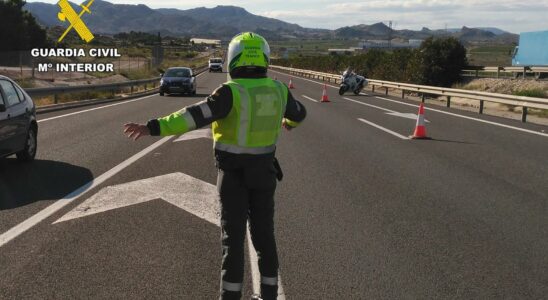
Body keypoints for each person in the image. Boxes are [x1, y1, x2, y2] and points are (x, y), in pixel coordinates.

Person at [123, 32, 306, 300]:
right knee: (265, 237)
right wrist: (287, 124)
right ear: (264, 58)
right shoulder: (279, 89)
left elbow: (192, 117)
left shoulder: (230, 92)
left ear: (234, 58)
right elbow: (300, 114)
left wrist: (152, 127)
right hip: (264, 174)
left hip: (232, 177)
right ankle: (268, 294)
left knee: (233, 241)